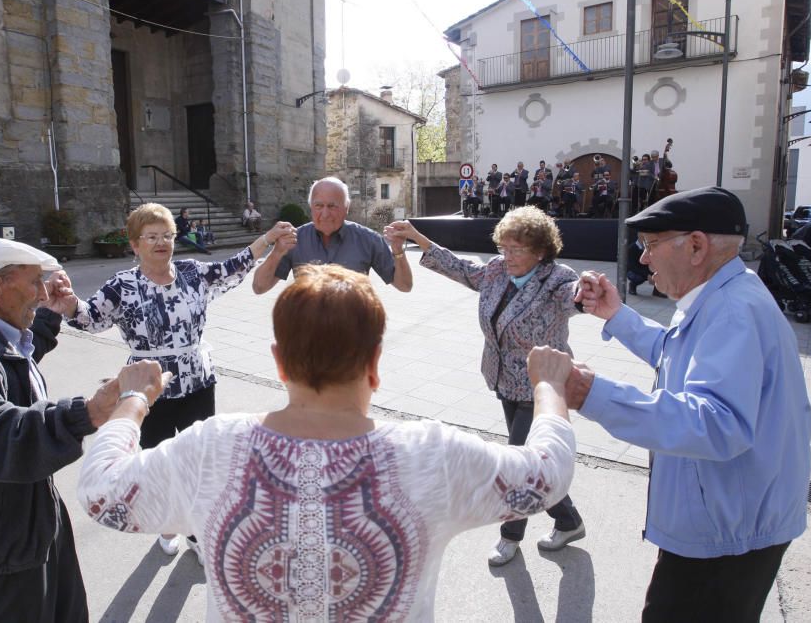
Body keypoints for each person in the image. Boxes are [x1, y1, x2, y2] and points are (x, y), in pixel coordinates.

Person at [77, 265, 578, 620]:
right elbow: (546, 476)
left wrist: (134, 399)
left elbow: (102, 492)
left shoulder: (211, 448)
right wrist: (549, 388)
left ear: (277, 360)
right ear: (376, 361)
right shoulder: (431, 455)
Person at [573, 187, 811, 621]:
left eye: (651, 244)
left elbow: (716, 424)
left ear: (697, 245)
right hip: (725, 523)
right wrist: (617, 315)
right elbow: (675, 353)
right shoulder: (722, 296)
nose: (643, 259)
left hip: (726, 539)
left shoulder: (734, 310)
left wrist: (591, 393)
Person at [56, 202, 293, 558]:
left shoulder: (192, 273)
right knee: (157, 461)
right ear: (135, 245)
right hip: (150, 390)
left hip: (198, 380)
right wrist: (71, 303)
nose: (161, 242)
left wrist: (269, 239)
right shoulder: (124, 285)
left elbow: (235, 266)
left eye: (167, 235)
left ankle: (196, 531)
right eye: (151, 237)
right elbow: (91, 318)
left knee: (201, 459)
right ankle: (167, 523)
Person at [0, 237, 127, 621]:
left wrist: (50, 313)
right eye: (34, 283)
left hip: (30, 513)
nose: (43, 291)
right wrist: (87, 413)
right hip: (1, 539)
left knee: (69, 613)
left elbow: (16, 362)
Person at [386, 207, 587, 566]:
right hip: (503, 379)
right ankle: (569, 521)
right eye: (503, 248)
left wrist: (585, 291)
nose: (506, 256)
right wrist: (418, 239)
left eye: (515, 249)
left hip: (540, 387)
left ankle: (510, 536)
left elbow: (572, 296)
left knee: (521, 464)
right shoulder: (497, 271)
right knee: (534, 458)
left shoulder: (556, 279)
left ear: (539, 250)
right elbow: (462, 269)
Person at [251, 176, 413, 294]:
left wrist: (398, 250)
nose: (325, 214)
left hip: (353, 333)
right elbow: (259, 287)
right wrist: (277, 252)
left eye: (332, 206)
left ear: (346, 207)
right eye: (319, 206)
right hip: (307, 333)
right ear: (311, 207)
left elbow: (404, 285)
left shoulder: (368, 239)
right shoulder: (295, 239)